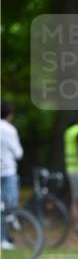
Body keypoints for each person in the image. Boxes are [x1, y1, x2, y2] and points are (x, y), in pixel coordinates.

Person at [1, 102, 23, 249]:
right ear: (9, 115)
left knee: (0, 205)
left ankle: (3, 238)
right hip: (8, 170)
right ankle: (12, 217)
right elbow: (18, 153)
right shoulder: (9, 130)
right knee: (9, 204)